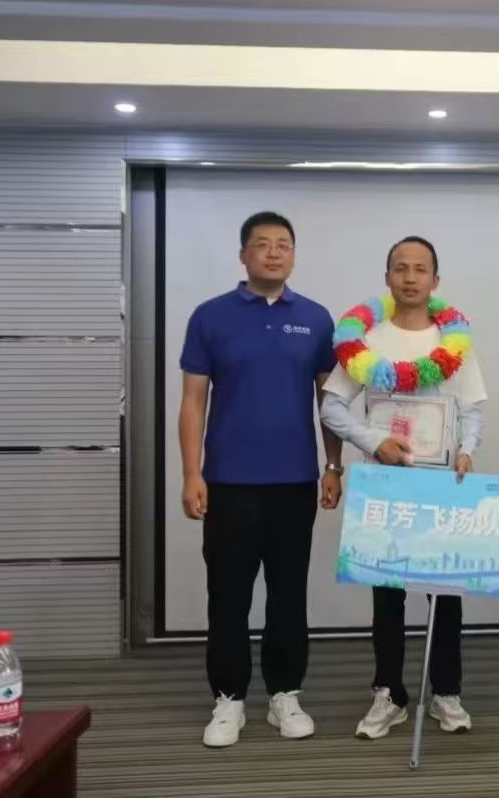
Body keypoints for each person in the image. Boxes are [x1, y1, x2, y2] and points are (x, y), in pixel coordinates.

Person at [179, 211, 344, 748]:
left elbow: (330, 403)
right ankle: (228, 699)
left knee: (288, 593)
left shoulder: (316, 319)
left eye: (283, 245)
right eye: (262, 244)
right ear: (243, 255)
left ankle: (284, 694)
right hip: (228, 483)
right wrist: (191, 473)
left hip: (294, 482)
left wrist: (333, 465)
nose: (274, 253)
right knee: (227, 593)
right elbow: (193, 402)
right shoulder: (210, 316)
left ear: (293, 255)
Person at [320, 235, 487, 740]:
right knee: (387, 595)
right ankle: (388, 693)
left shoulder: (454, 339)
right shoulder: (365, 340)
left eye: (420, 269)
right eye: (401, 268)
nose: (410, 277)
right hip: (386, 484)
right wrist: (375, 441)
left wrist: (467, 449)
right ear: (387, 277)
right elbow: (331, 408)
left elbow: (472, 409)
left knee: (445, 593)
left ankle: (446, 691)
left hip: (441, 482)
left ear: (435, 280)